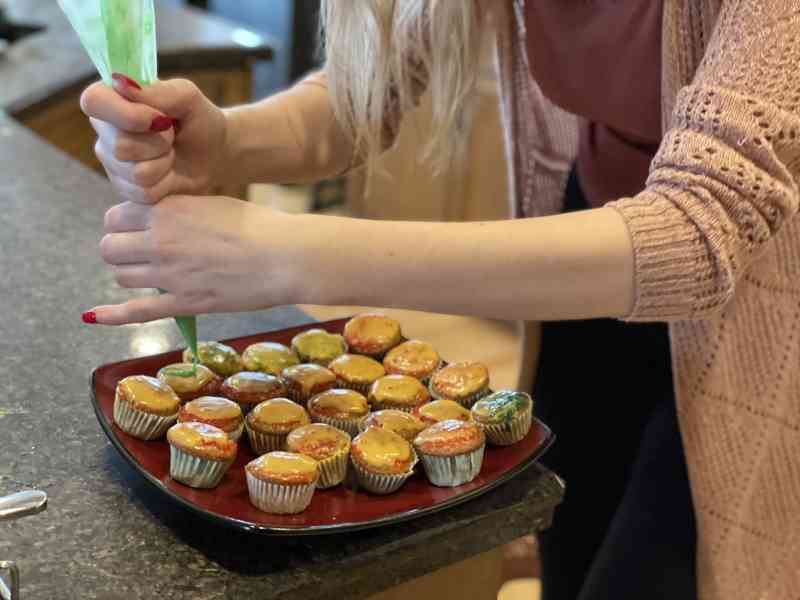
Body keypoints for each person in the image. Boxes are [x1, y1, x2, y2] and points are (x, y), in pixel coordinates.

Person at [79, 2, 800, 599]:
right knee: (575, 546)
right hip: (594, 271)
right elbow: (361, 95)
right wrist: (229, 141)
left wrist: (297, 256)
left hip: (760, 309)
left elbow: (700, 230)